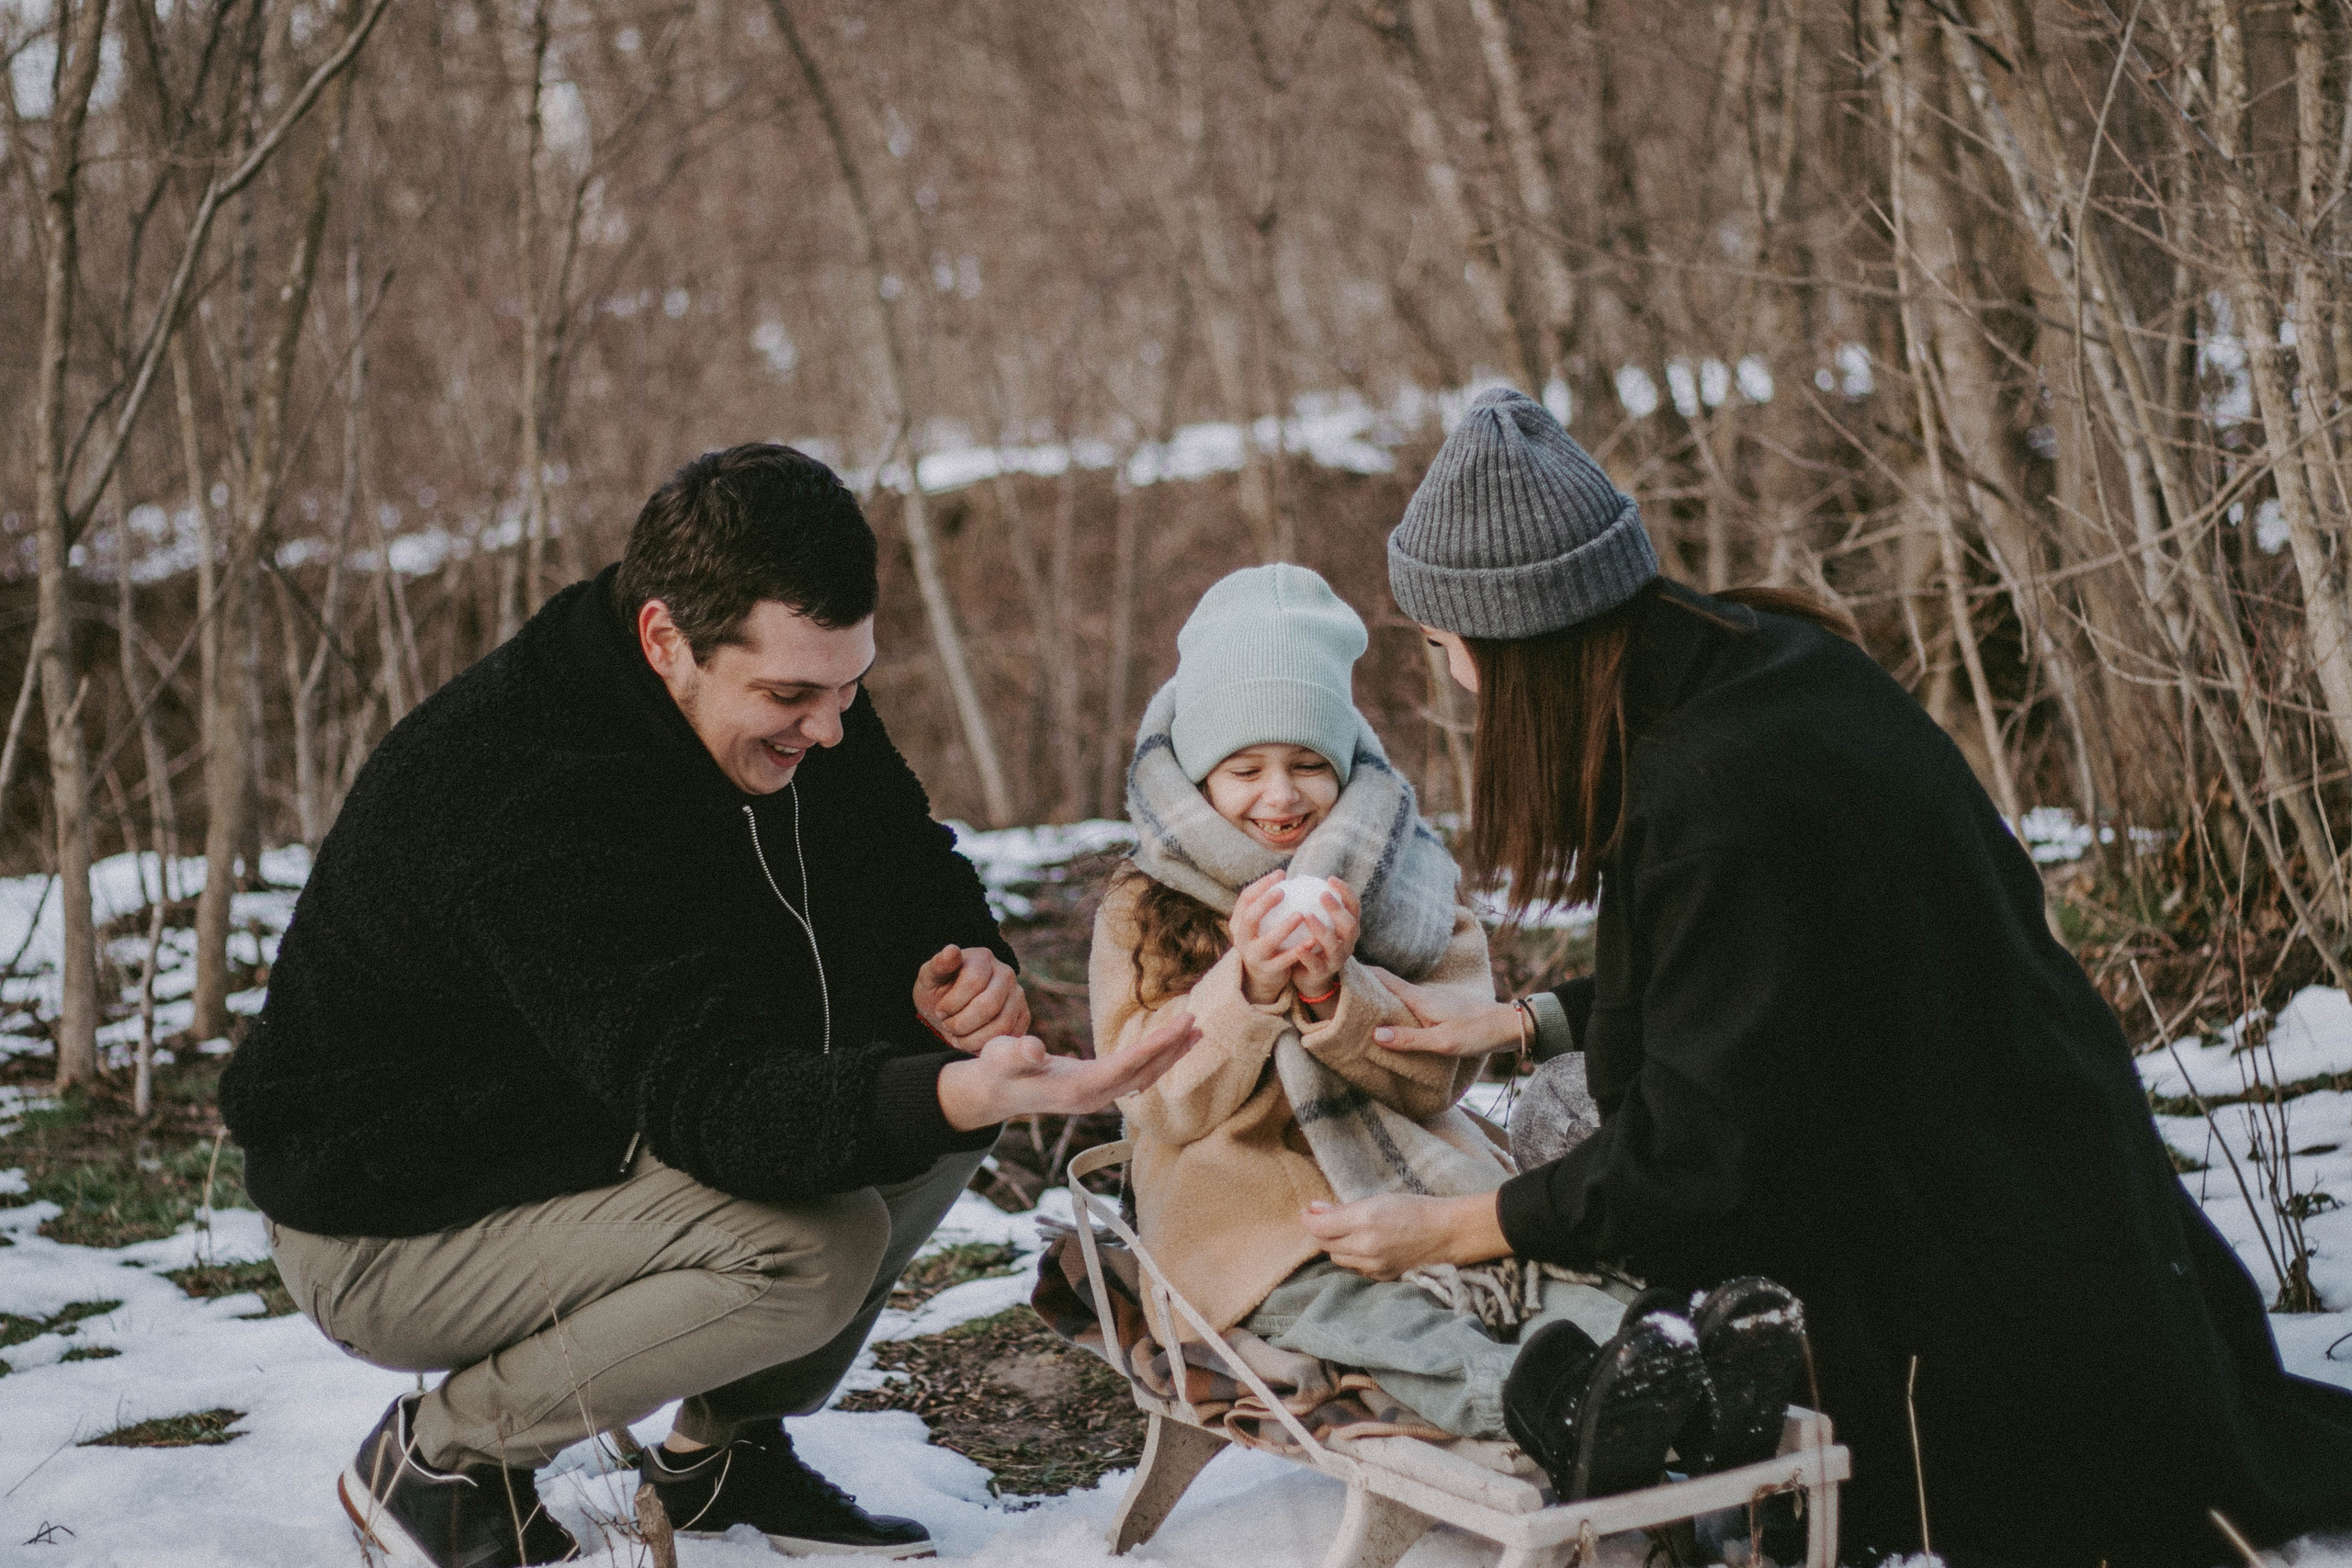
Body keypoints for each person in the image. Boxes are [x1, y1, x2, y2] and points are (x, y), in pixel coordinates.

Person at [1297, 386, 2352, 1565]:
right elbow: (1795, 971)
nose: (1444, 678)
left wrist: (1447, 1228)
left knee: (1646, 1318)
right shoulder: (1753, 664)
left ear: (1512, 640)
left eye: (1440, 646)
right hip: (2037, 1152)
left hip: (1983, 1258)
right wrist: (1529, 1021)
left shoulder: (1711, 784)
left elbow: (1699, 1152)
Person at [219, 444, 1195, 1568]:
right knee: (811, 1248)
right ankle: (443, 1460)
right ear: (664, 642)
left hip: (583, 1131)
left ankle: (723, 1453)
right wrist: (950, 1087)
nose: (828, 730)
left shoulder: (790, 692)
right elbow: (711, 1101)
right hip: (394, 1217)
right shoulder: (524, 795)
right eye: (790, 697)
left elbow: (903, 860)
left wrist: (964, 964)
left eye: (849, 689)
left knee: (926, 1109)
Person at [1089, 563, 1802, 1501]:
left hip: (1423, 1177)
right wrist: (1250, 984)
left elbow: (1437, 1082)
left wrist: (1341, 996)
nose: (1280, 796)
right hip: (1251, 1233)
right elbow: (1151, 1100)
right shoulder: (1144, 900)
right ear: (1197, 773)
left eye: (1307, 762)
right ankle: (1558, 1407)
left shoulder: (1407, 885)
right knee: (1394, 1329)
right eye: (1244, 769)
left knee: (1553, 1282)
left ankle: (1697, 1377)